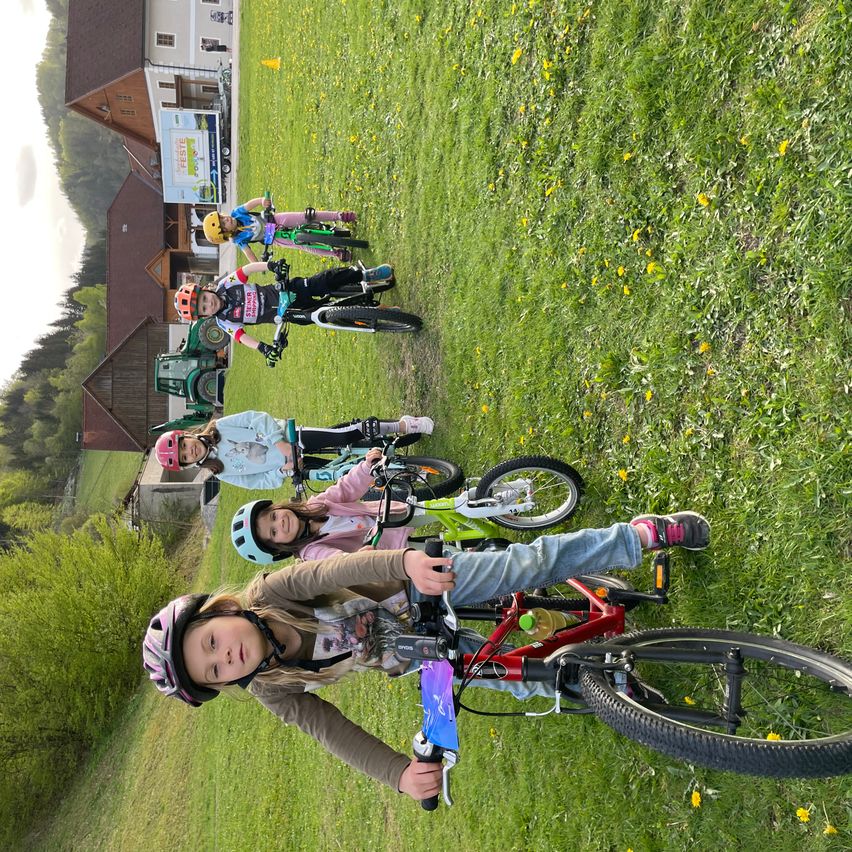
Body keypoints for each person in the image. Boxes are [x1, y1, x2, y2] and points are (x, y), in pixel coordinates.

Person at [143, 513, 710, 801]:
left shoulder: (271, 594)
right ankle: (605, 687)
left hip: (414, 588)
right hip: (409, 651)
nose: (227, 656)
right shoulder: (273, 688)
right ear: (226, 685)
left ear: (217, 612)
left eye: (211, 643)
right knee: (507, 679)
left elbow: (334, 571)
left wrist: (405, 564)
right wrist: (398, 774)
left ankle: (636, 537)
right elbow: (330, 732)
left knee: (522, 566)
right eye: (215, 670)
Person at [230, 448, 435, 563]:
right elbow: (336, 561)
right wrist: (354, 561)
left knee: (441, 508)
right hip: (385, 549)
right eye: (273, 532)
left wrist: (365, 468)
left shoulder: (315, 506)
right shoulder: (311, 552)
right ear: (279, 549)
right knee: (433, 554)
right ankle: (460, 557)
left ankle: (465, 505)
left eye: (273, 516)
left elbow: (345, 489)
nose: (281, 522)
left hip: (388, 514)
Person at [153, 410, 434, 490]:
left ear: (187, 436)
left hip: (293, 439)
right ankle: (404, 474)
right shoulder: (221, 472)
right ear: (189, 464)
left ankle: (402, 425)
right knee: (342, 475)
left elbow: (256, 418)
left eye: (186, 446)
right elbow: (255, 483)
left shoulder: (222, 427)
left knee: (345, 434)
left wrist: (280, 444)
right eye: (186, 457)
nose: (190, 451)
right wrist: (282, 470)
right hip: (291, 467)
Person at [173, 260, 394, 360]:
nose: (208, 304)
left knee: (322, 281)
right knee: (329, 316)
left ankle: (364, 275)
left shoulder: (227, 285)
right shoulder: (224, 322)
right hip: (288, 314)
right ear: (204, 315)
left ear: (206, 291)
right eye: (203, 308)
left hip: (288, 290)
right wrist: (263, 348)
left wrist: (271, 267)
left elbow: (247, 269)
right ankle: (380, 312)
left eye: (204, 299)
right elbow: (242, 338)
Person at [202, 197, 358, 262]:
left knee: (307, 216)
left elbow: (251, 204)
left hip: (275, 220)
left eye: (222, 218)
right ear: (226, 233)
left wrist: (262, 201)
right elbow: (249, 254)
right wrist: (257, 265)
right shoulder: (238, 240)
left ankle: (340, 216)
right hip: (275, 238)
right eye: (223, 225)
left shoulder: (237, 213)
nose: (226, 220)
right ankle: (335, 253)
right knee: (303, 245)